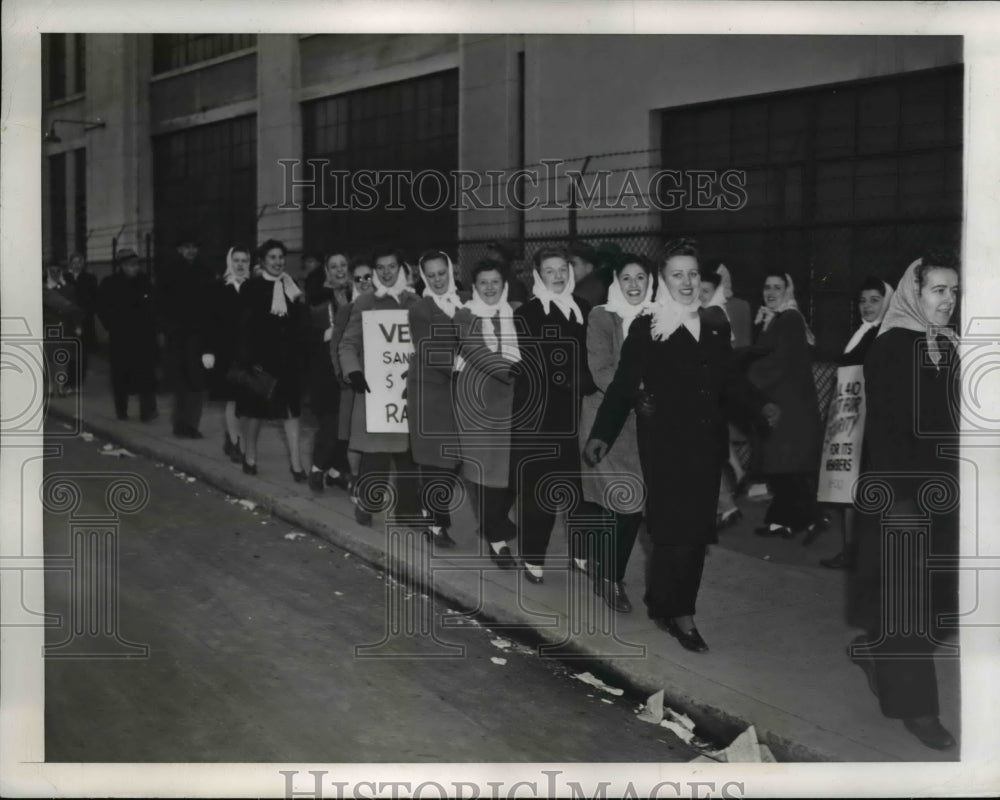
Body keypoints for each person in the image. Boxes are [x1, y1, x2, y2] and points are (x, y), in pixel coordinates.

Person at [585, 238, 777, 652]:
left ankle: (671, 603)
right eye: (678, 274)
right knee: (672, 530)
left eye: (692, 274)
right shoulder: (648, 326)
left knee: (695, 531)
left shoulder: (713, 323)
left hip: (705, 442)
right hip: (664, 442)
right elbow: (621, 386)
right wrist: (602, 433)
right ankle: (677, 612)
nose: (687, 282)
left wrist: (760, 404)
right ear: (663, 280)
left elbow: (729, 380)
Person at [847, 251, 960, 751]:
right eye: (938, 290)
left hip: (948, 491)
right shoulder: (891, 346)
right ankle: (917, 708)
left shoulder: (949, 346)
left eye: (954, 291)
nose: (948, 301)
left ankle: (878, 650)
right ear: (915, 293)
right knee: (910, 603)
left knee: (941, 604)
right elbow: (888, 433)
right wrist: (902, 499)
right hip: (903, 494)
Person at [511, 246, 595, 584]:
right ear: (538, 275)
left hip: (579, 413)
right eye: (550, 270)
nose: (558, 275)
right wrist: (582, 378)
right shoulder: (527, 315)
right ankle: (533, 556)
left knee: (581, 488)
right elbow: (539, 365)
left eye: (563, 268)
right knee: (539, 491)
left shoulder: (586, 310)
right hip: (540, 417)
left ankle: (580, 553)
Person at [578, 254, 656, 612]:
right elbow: (601, 369)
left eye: (641, 277)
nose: (635, 285)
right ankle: (610, 576)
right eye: (627, 278)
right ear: (617, 283)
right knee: (624, 501)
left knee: (627, 503)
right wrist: (640, 393)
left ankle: (603, 566)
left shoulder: (661, 319)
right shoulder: (601, 316)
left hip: (646, 425)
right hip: (606, 423)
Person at [338, 245, 421, 526]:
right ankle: (367, 501)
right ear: (375, 272)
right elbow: (348, 343)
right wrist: (354, 372)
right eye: (381, 268)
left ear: (402, 269)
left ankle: (407, 510)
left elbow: (425, 344)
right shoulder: (365, 303)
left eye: (392, 267)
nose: (387, 273)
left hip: (407, 389)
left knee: (410, 453)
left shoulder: (415, 302)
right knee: (377, 454)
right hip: (376, 391)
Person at [819, 276, 894, 569]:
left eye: (874, 300)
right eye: (862, 301)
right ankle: (852, 552)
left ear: (886, 301)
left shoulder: (883, 335)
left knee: (864, 489)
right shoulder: (862, 332)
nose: (867, 306)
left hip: (871, 421)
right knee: (851, 489)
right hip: (851, 422)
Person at [453, 261, 522, 568]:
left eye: (496, 282)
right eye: (484, 283)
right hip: (477, 401)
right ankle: (497, 540)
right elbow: (474, 350)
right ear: (475, 287)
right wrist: (512, 370)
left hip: (515, 400)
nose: (491, 288)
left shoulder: (517, 311)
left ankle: (494, 523)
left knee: (514, 475)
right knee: (486, 473)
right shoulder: (465, 314)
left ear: (504, 283)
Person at [747, 272, 824, 539]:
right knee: (785, 468)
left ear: (787, 291)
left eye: (777, 287)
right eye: (767, 287)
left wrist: (745, 380)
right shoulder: (775, 318)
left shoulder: (789, 319)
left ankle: (798, 518)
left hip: (791, 405)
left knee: (788, 467)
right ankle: (788, 519)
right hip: (782, 401)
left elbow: (778, 363)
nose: (770, 292)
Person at [406, 250, 468, 547]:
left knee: (456, 459)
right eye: (430, 275)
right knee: (437, 459)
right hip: (430, 390)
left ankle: (427, 505)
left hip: (459, 391)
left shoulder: (464, 301)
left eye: (441, 273)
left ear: (451, 270)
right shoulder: (420, 309)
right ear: (423, 278)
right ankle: (435, 522)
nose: (438, 279)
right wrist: (463, 364)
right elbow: (427, 348)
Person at [235, 239, 308, 481]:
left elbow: (300, 323)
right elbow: (243, 327)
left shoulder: (292, 286)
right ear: (263, 261)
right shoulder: (251, 287)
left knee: (291, 412)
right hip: (261, 361)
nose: (278, 262)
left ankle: (297, 465)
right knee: (256, 414)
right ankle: (251, 455)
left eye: (281, 257)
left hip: (289, 361)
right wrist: (248, 361)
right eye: (273, 258)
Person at [304, 251, 353, 492]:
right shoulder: (317, 298)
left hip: (351, 367)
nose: (340, 270)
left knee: (347, 424)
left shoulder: (355, 294)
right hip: (325, 370)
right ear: (326, 270)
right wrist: (323, 335)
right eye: (334, 266)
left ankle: (336, 471)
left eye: (343, 265)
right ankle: (317, 467)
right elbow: (303, 334)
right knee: (331, 423)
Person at [157, 232, 213, 438]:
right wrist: (166, 329)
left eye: (194, 247)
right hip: (177, 334)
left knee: (197, 381)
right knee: (180, 380)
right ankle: (180, 423)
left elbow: (210, 305)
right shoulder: (169, 272)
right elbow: (160, 304)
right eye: (186, 247)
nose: (191, 251)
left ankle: (192, 424)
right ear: (179, 249)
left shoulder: (204, 271)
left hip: (198, 334)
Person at [699, 269, 743, 529]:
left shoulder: (712, 315)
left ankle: (726, 506)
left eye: (705, 291)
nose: (700, 295)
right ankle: (727, 504)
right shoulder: (715, 313)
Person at [95, 248, 158, 421]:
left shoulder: (144, 281)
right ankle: (121, 409)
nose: (135, 268)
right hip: (121, 336)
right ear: (122, 266)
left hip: (143, 336)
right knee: (120, 375)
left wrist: (153, 327)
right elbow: (101, 307)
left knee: (146, 374)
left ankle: (148, 411)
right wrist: (111, 325)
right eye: (130, 265)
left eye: (136, 264)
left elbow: (153, 305)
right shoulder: (110, 283)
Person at [330, 258, 376, 492]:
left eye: (368, 276)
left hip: (381, 381)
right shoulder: (348, 309)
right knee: (353, 434)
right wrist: (344, 375)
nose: (364, 282)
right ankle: (356, 479)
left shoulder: (385, 304)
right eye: (358, 278)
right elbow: (337, 344)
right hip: (354, 381)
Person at [202, 246, 251, 462]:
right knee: (232, 399)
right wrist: (208, 350)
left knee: (248, 400)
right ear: (230, 262)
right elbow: (209, 322)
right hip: (227, 352)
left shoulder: (255, 288)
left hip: (250, 352)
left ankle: (236, 438)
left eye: (244, 260)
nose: (240, 265)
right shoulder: (219, 288)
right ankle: (234, 442)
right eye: (237, 260)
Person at [42, 260, 84, 398]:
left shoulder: (69, 288)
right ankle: (50, 387)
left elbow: (75, 308)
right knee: (49, 359)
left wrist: (77, 325)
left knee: (62, 358)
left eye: (57, 270)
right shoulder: (44, 288)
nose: (54, 273)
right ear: (48, 271)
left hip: (65, 325)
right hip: (50, 326)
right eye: (52, 270)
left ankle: (60, 387)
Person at [63, 251, 99, 387]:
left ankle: (80, 377)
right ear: (70, 263)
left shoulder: (89, 278)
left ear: (83, 264)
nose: (77, 265)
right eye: (74, 262)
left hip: (84, 319)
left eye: (79, 262)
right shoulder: (65, 278)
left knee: (82, 350)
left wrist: (88, 311)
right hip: (69, 319)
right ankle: (70, 377)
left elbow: (95, 297)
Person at [569, 240, 609, 307]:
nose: (568, 268)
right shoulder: (592, 284)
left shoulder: (589, 290)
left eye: (573, 264)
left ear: (588, 268)